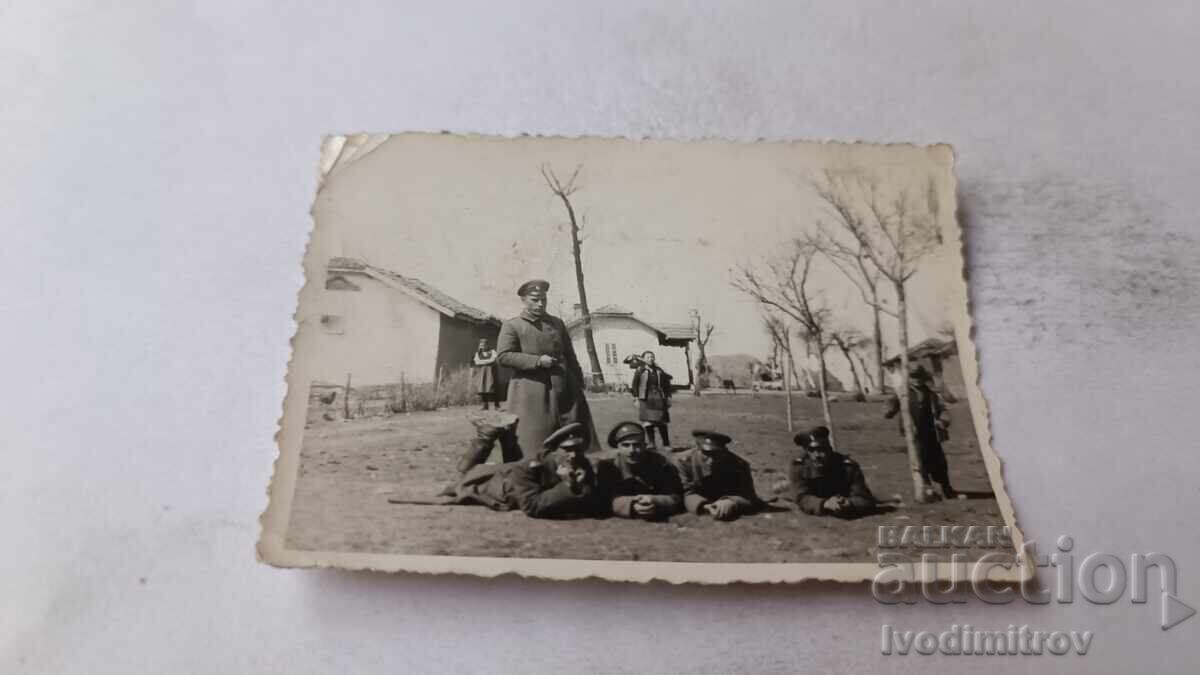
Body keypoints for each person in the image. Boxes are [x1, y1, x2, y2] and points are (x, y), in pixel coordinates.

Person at [495, 279, 596, 457]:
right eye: (535, 299)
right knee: (534, 440)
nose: (540, 304)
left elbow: (570, 355)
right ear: (524, 300)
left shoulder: (557, 323)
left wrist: (578, 381)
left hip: (566, 388)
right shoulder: (513, 326)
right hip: (532, 391)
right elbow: (503, 356)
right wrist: (537, 361)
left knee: (575, 435)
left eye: (543, 299)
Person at [447, 422, 597, 518]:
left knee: (512, 462)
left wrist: (582, 486)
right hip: (494, 486)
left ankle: (506, 436)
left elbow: (590, 501)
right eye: (567, 450)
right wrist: (567, 485)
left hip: (511, 472)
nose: (573, 455)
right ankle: (485, 437)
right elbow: (532, 507)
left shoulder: (581, 462)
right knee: (462, 479)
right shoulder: (531, 467)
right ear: (554, 451)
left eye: (578, 449)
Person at [885, 364, 955, 498]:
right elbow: (890, 405)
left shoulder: (931, 393)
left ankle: (947, 489)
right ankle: (926, 490)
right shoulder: (903, 393)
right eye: (913, 377)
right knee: (919, 461)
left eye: (919, 377)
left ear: (924, 378)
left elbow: (943, 410)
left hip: (932, 433)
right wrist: (889, 410)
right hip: (914, 434)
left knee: (939, 461)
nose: (917, 380)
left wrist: (943, 421)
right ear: (909, 378)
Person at [595, 421, 684, 520]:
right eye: (626, 445)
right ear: (618, 447)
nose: (632, 450)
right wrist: (631, 505)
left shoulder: (660, 463)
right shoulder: (608, 465)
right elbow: (604, 498)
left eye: (637, 445)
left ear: (645, 445)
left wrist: (656, 500)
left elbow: (675, 496)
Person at [785, 426, 877, 518]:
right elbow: (801, 498)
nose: (817, 455)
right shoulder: (799, 466)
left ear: (829, 448)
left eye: (821, 449)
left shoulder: (848, 467)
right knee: (788, 489)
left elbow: (865, 499)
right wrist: (825, 504)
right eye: (811, 450)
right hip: (820, 501)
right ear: (806, 451)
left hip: (842, 501)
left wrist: (849, 503)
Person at [674, 430, 763, 521]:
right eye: (706, 454)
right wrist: (704, 506)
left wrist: (732, 502)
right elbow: (686, 493)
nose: (710, 460)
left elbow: (749, 496)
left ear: (724, 451)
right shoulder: (684, 462)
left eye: (716, 454)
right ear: (698, 449)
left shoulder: (739, 465)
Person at [630, 350, 673, 448]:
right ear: (644, 359)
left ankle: (666, 444)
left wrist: (668, 397)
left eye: (652, 357)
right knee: (648, 422)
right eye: (648, 357)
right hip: (645, 397)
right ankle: (651, 443)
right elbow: (634, 385)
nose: (651, 359)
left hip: (658, 397)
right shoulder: (640, 370)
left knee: (662, 421)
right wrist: (636, 398)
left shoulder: (659, 370)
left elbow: (667, 384)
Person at [471, 338, 499, 410]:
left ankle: (497, 405)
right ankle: (485, 405)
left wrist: (483, 361)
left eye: (483, 345)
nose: (482, 346)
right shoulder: (477, 353)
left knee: (492, 388)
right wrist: (488, 361)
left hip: (491, 373)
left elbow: (493, 359)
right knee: (483, 388)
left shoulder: (492, 352)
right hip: (482, 373)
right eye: (481, 345)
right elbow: (477, 362)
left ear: (487, 345)